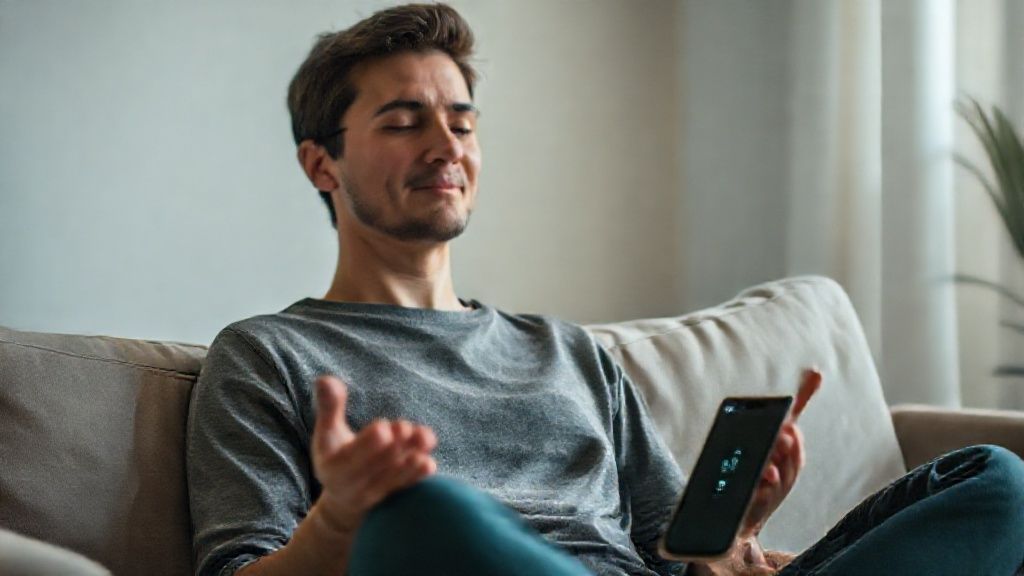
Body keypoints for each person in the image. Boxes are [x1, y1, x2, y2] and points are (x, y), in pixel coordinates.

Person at [186, 4, 1024, 576]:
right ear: (320, 162)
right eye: (404, 120)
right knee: (420, 517)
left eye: (463, 119)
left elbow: (675, 554)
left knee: (996, 481)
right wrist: (343, 517)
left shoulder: (562, 349)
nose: (446, 143)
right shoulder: (269, 355)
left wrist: (735, 531)